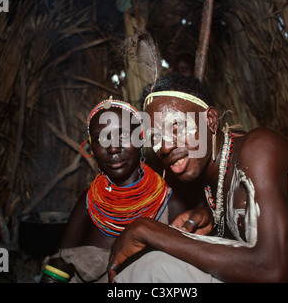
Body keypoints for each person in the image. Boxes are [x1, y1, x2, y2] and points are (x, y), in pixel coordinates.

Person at [107, 74, 288, 283]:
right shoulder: (212, 182)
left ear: (211, 121)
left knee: (156, 268)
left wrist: (150, 231)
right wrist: (209, 222)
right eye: (155, 137)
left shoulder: (259, 149)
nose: (164, 146)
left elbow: (272, 272)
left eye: (176, 127)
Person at [42, 97, 186, 283]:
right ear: (91, 146)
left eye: (124, 136)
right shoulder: (89, 202)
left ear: (141, 138)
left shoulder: (169, 203)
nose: (113, 148)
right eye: (102, 139)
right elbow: (59, 261)